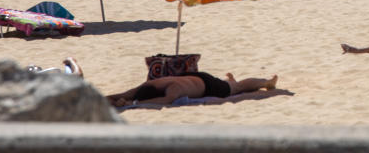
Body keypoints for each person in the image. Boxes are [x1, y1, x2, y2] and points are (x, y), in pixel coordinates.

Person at [106, 71, 278, 107]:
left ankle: (265, 82)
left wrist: (133, 103)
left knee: (238, 87)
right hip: (193, 77)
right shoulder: (147, 85)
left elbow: (167, 100)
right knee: (230, 84)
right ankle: (228, 80)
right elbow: (120, 95)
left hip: (207, 86)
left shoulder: (173, 89)